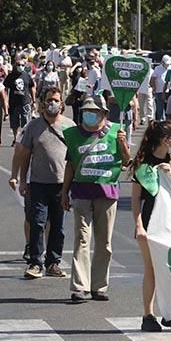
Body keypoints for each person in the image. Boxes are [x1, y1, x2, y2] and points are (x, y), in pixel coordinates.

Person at [61, 95, 130, 302]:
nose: (89, 115)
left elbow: (127, 162)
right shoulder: (73, 135)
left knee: (104, 242)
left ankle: (99, 286)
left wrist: (123, 143)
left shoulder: (116, 132)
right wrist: (64, 191)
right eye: (86, 111)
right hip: (81, 193)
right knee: (82, 239)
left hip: (107, 193)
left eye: (94, 111)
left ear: (104, 114)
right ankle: (79, 286)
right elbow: (70, 164)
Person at [131, 120, 171, 332]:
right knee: (152, 269)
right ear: (165, 140)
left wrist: (170, 175)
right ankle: (148, 314)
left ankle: (170, 313)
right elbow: (136, 199)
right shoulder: (143, 164)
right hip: (150, 222)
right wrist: (139, 226)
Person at [15, 88, 73, 279]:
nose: (52, 103)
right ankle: (35, 263)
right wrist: (23, 180)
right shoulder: (33, 127)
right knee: (37, 223)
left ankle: (53, 262)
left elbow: (75, 157)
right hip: (38, 184)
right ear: (42, 104)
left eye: (56, 100)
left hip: (61, 185)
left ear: (62, 104)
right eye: (49, 100)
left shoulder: (69, 127)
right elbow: (25, 154)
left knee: (58, 226)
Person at [3, 56, 36, 146]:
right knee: (14, 122)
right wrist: (5, 101)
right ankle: (15, 138)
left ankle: (26, 139)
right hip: (13, 102)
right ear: (15, 65)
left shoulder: (27, 76)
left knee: (26, 122)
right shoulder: (10, 76)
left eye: (22, 65)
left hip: (25, 102)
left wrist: (34, 100)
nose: (20, 66)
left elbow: (32, 87)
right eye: (18, 65)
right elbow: (5, 89)